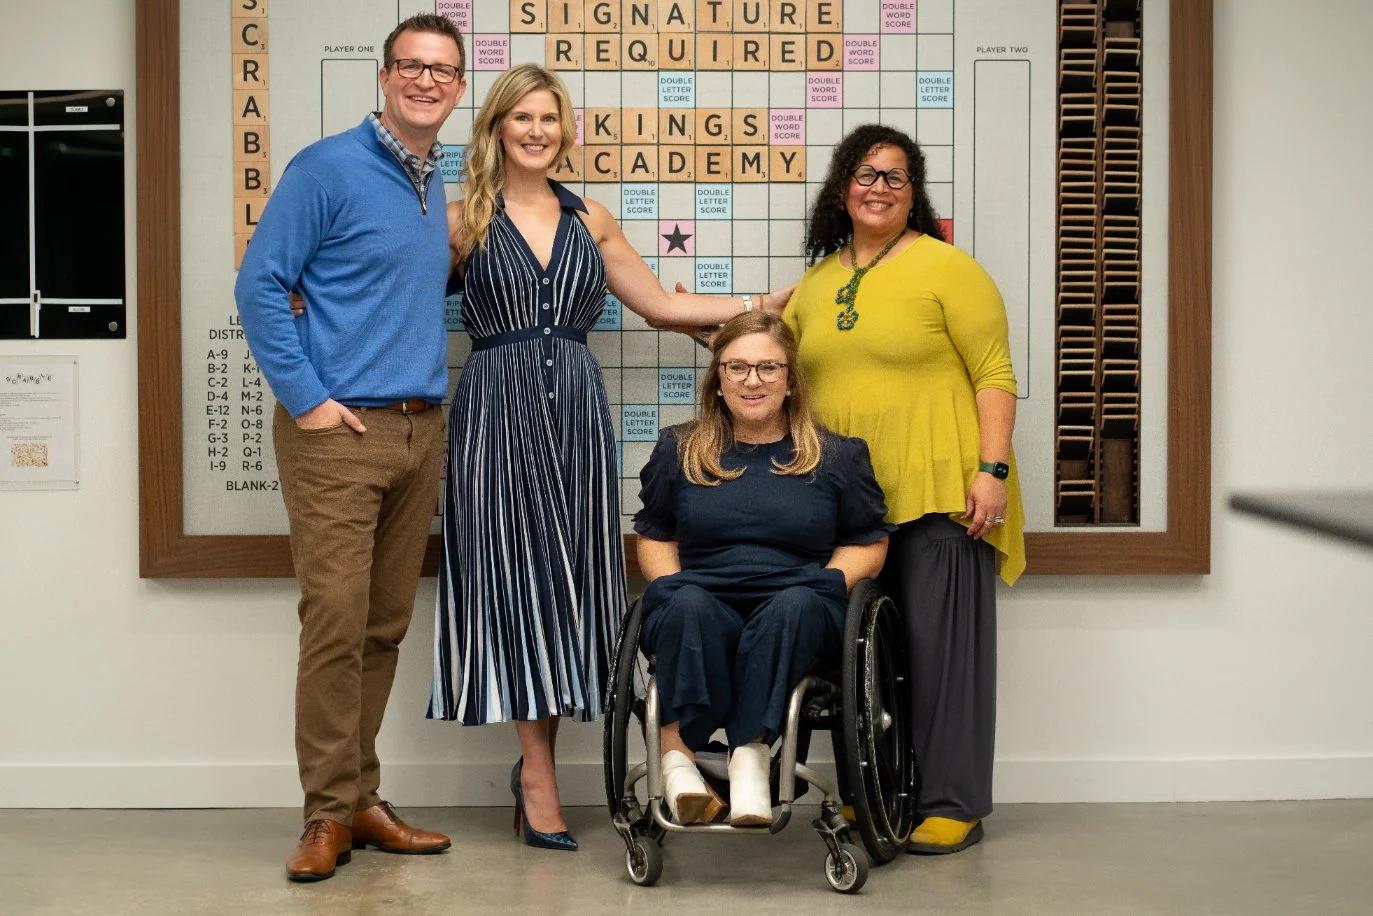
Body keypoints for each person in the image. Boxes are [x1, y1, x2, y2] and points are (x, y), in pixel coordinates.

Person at [426, 63, 795, 851]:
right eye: (520, 117)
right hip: (495, 410)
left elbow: (661, 304)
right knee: (513, 582)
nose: (535, 130)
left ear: (565, 131)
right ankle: (536, 775)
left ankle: (550, 767)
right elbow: (390, 301)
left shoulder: (588, 216)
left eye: (549, 118)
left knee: (570, 581)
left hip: (578, 419)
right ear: (495, 127)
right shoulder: (460, 220)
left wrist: (762, 306)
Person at [234, 14, 465, 881]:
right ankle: (325, 813)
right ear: (384, 76)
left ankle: (361, 797)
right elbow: (260, 284)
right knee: (334, 622)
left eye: (441, 70)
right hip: (339, 434)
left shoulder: (434, 180)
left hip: (417, 427)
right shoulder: (326, 167)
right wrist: (309, 401)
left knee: (381, 627)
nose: (425, 81)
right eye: (410, 66)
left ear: (456, 85)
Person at [784, 124, 1026, 854]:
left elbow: (994, 373)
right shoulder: (820, 280)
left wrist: (992, 471)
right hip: (848, 506)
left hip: (940, 492)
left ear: (912, 191)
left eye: (895, 176)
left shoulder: (949, 268)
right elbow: (766, 349)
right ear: (841, 188)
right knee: (859, 663)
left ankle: (954, 802)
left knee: (939, 654)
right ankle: (872, 794)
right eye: (864, 174)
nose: (878, 187)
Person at [634, 311, 893, 826]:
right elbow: (655, 533)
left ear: (791, 379)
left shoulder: (836, 456)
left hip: (797, 597)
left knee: (793, 606)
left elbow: (868, 541)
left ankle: (750, 759)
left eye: (769, 368)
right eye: (737, 368)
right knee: (685, 606)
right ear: (718, 380)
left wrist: (826, 583)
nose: (753, 381)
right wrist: (670, 588)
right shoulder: (679, 449)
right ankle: (678, 763)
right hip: (704, 595)